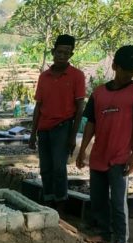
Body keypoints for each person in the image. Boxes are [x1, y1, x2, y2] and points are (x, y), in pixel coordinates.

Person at [76, 45, 133, 243]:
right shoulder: (99, 92)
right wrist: (83, 151)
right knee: (98, 198)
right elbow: (91, 122)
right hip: (99, 154)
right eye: (126, 69)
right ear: (115, 65)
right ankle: (104, 233)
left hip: (120, 156)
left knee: (118, 201)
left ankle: (120, 239)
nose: (130, 74)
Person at [29, 34, 87, 209]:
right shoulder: (44, 77)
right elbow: (38, 106)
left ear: (71, 54)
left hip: (63, 127)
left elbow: (79, 108)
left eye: (66, 52)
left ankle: (60, 202)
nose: (62, 55)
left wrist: (72, 136)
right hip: (44, 128)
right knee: (45, 167)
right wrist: (32, 134)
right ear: (53, 52)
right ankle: (48, 200)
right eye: (59, 52)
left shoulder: (77, 76)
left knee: (59, 168)